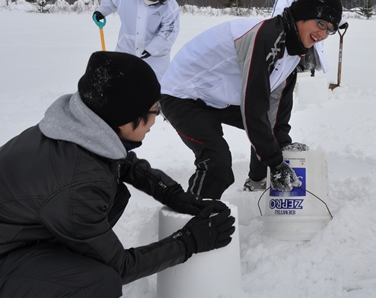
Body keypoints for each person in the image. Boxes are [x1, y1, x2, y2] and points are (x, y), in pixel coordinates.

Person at [0, 51, 235, 297]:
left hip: (19, 234)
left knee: (114, 195)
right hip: (7, 254)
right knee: (99, 282)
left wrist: (175, 196)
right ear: (124, 120)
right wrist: (189, 241)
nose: (156, 119)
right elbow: (120, 266)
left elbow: (124, 162)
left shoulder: (78, 128)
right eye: (154, 109)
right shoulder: (78, 185)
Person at [160, 0, 343, 198]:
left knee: (267, 133)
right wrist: (275, 163)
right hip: (182, 94)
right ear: (303, 14)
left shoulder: (295, 51)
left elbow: (277, 106)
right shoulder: (266, 36)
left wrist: (281, 145)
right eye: (321, 23)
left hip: (217, 97)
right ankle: (195, 218)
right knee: (217, 162)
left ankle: (255, 186)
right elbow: (253, 105)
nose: (323, 34)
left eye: (330, 30)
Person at [93, 0, 180, 81]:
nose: (150, 0)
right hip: (126, 48)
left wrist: (152, 49)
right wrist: (102, 10)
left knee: (155, 84)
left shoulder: (170, 7)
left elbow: (169, 32)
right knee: (120, 80)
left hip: (155, 57)